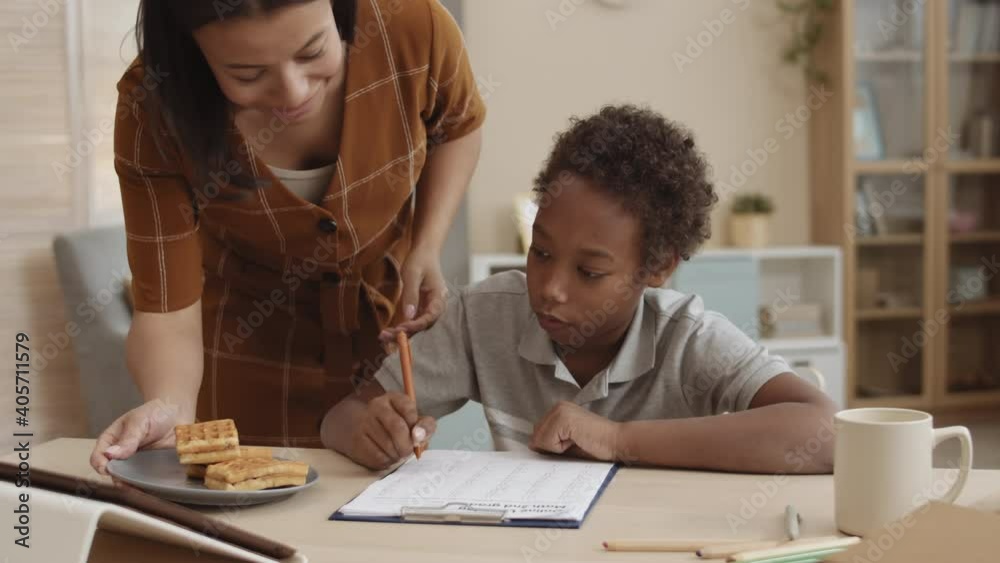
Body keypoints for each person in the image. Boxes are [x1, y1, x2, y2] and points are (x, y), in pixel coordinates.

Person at [323, 105, 837, 473]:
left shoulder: (687, 339)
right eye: (541, 253)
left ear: (658, 267)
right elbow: (340, 418)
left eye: (589, 272)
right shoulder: (483, 316)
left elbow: (827, 432)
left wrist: (617, 439)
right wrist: (368, 432)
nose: (551, 289)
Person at [90, 0, 485, 474]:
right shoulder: (153, 106)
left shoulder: (413, 26)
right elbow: (167, 311)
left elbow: (458, 127)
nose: (293, 91)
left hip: (377, 352)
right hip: (244, 358)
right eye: (247, 74)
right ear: (192, 51)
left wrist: (427, 246)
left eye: (313, 51)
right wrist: (170, 406)